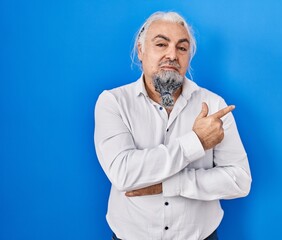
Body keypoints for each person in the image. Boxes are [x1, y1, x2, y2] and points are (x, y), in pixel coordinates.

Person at [94, 11, 252, 240]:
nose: (172, 55)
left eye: (182, 47)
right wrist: (196, 142)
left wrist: (169, 185)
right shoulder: (113, 102)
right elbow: (123, 174)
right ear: (141, 51)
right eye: (161, 44)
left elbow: (239, 180)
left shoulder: (214, 104)